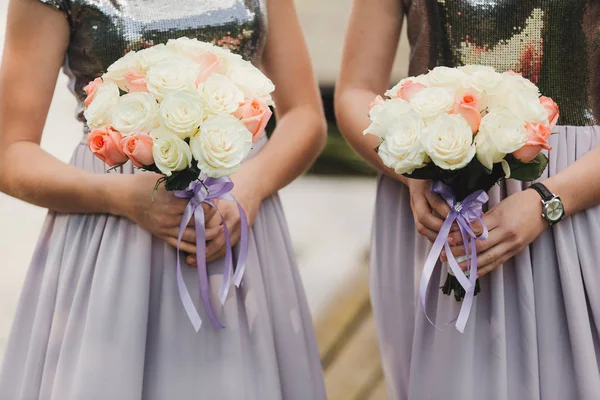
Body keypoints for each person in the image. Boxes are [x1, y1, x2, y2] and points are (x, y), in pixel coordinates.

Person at [0, 0, 328, 398]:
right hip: (115, 235)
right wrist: (122, 197)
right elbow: (10, 151)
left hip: (237, 226)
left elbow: (306, 116)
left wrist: (250, 188)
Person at [335, 0, 600, 398]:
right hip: (437, 212)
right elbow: (355, 90)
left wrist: (547, 200)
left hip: (576, 202)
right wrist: (411, 171)